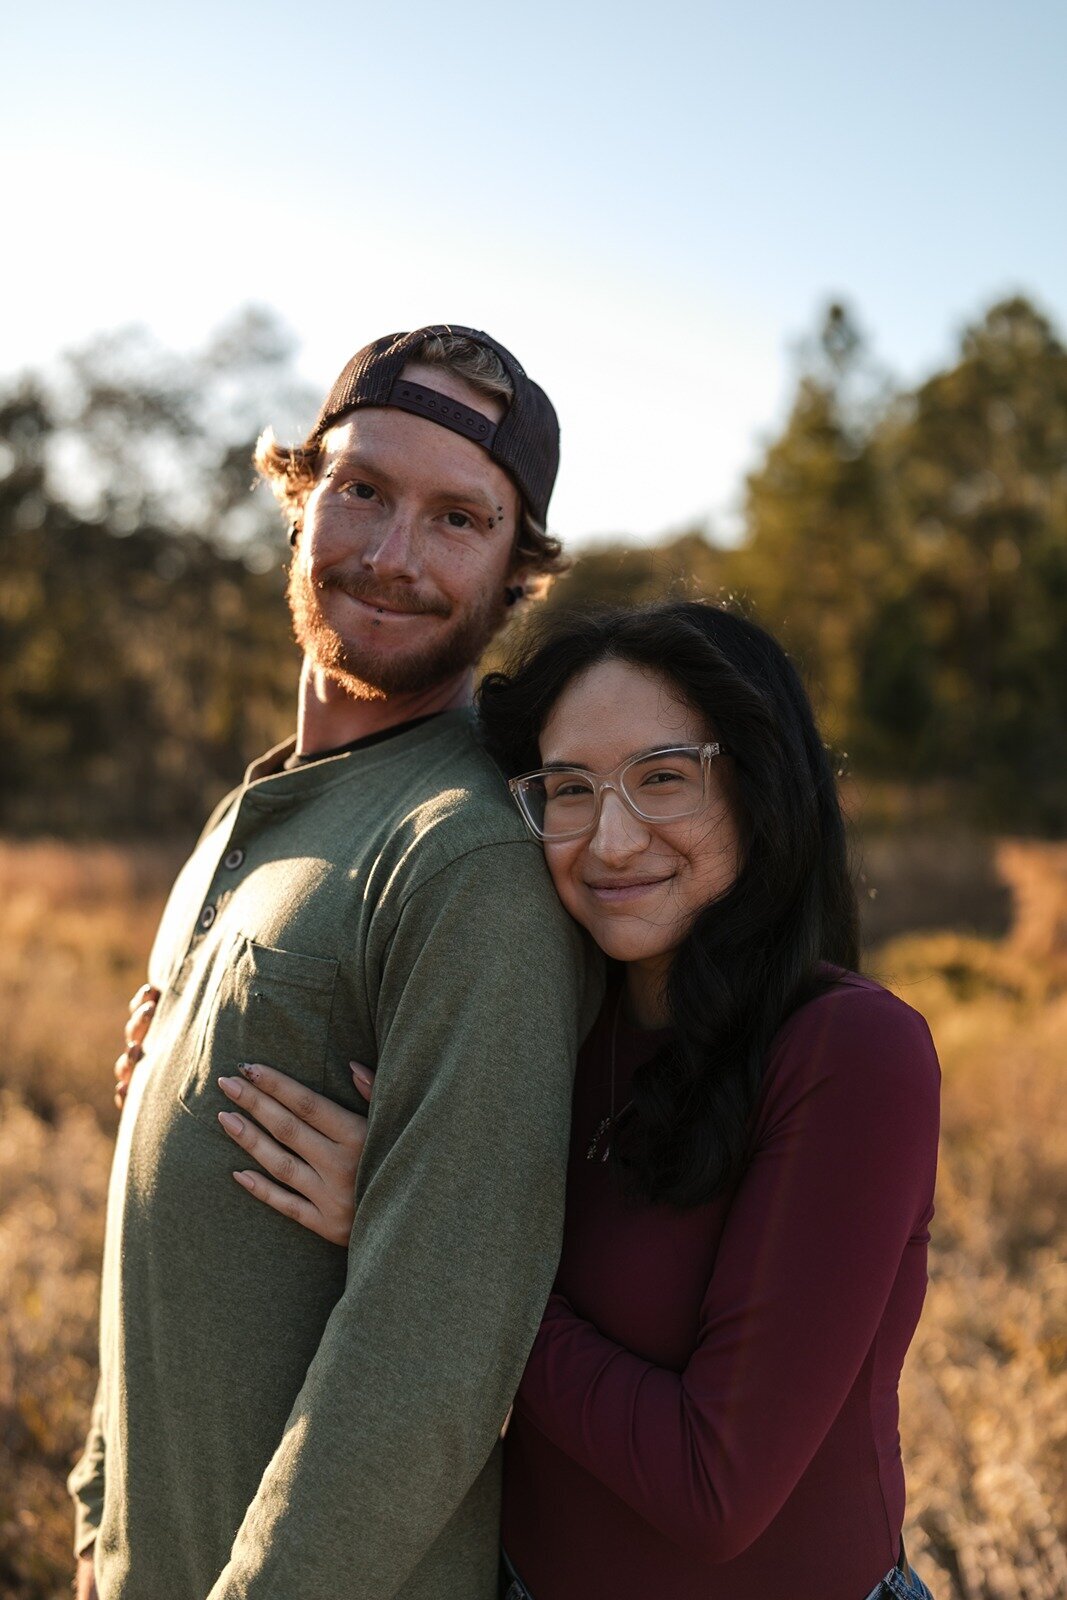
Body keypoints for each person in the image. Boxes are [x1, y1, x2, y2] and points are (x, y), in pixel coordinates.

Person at [199, 600, 942, 1600]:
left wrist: (423, 1241)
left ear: (760, 789)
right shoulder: (555, 1030)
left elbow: (711, 1488)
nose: (611, 839)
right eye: (568, 789)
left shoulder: (851, 1050)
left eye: (663, 778)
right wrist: (181, 1013)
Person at [69, 325, 602, 1600]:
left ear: (518, 573)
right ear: (300, 491)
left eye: (457, 518)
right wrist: (99, 1521)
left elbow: (432, 1355)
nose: (391, 554)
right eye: (362, 489)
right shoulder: (255, 811)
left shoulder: (466, 857)